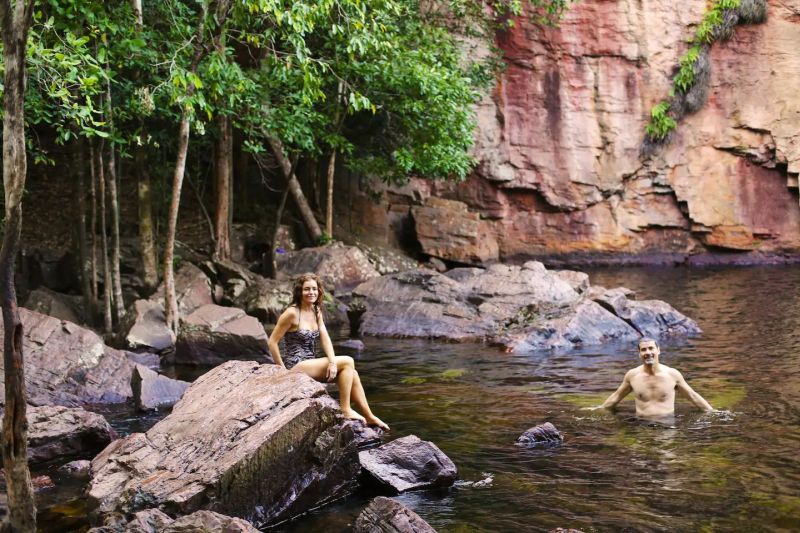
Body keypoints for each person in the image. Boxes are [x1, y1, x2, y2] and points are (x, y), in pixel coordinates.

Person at [268, 272, 389, 430]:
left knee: (352, 373)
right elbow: (272, 342)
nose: (311, 292)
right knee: (348, 361)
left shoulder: (316, 310)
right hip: (296, 366)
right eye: (306, 289)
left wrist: (332, 362)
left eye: (314, 289)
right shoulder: (291, 313)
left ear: (319, 291)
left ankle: (369, 416)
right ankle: (345, 409)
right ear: (299, 291)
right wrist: (281, 369)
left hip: (310, 363)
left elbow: (325, 338)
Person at [585, 337, 715, 417]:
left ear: (658, 350)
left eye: (651, 348)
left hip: (667, 424)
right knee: (641, 460)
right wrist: (599, 409)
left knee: (666, 458)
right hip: (641, 424)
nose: (648, 352)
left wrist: (712, 412)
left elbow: (692, 396)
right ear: (639, 353)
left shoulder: (672, 374)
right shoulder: (632, 375)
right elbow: (616, 396)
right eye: (644, 350)